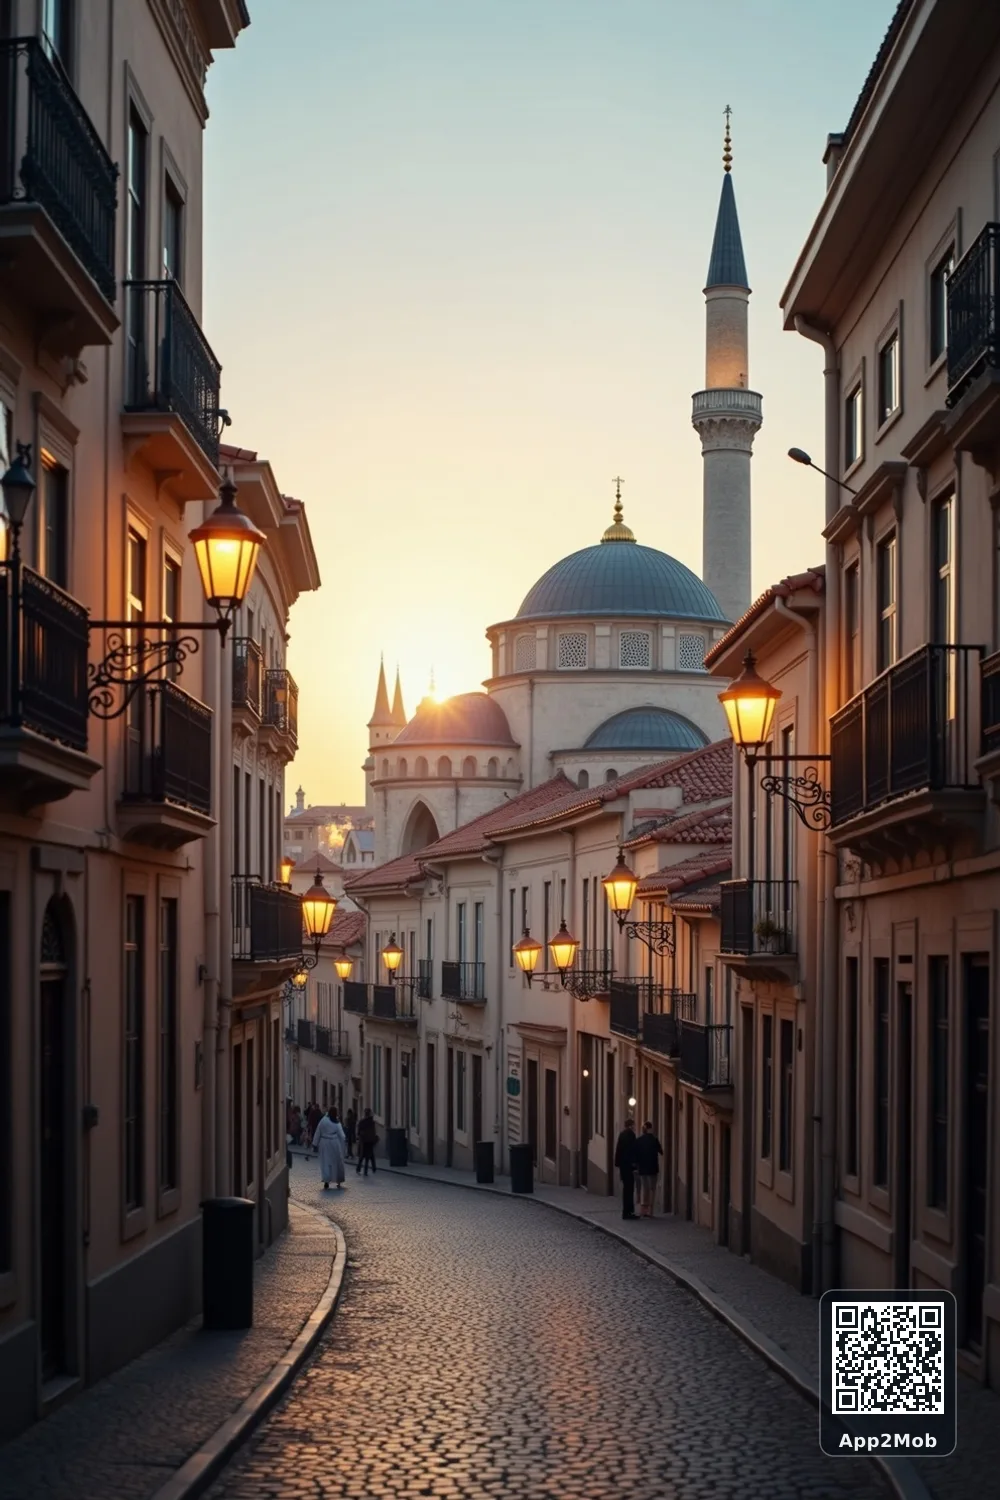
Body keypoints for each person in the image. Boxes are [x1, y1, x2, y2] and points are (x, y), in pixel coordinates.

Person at [313, 1106, 347, 1189]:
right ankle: (338, 1180)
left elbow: (318, 1131)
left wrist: (315, 1143)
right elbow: (342, 1136)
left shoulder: (323, 1120)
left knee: (325, 1162)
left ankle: (326, 1180)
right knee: (337, 1162)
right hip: (334, 1143)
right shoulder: (337, 1123)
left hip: (324, 1143)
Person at [635, 1121, 663, 1218]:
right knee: (652, 1189)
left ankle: (643, 1210)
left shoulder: (639, 1140)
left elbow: (636, 1154)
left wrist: (637, 1165)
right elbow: (661, 1151)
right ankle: (651, 1211)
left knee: (644, 1188)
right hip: (652, 1168)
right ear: (650, 1129)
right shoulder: (654, 1140)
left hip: (642, 1168)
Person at [614, 1117, 638, 1220]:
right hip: (629, 1166)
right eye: (634, 1125)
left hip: (623, 1166)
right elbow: (633, 1150)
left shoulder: (622, 1134)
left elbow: (618, 1149)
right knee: (629, 1189)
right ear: (631, 1125)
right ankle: (628, 1212)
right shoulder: (631, 1135)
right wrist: (634, 1164)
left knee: (626, 1189)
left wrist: (617, 1163)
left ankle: (626, 1211)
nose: (634, 1127)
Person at [356, 1107, 378, 1176]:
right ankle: (368, 1170)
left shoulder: (362, 1122)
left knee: (362, 1156)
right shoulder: (372, 1122)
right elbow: (373, 1132)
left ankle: (359, 1169)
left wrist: (360, 1136)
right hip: (370, 1141)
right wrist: (373, 1139)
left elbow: (358, 1132)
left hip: (364, 1141)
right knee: (369, 1156)